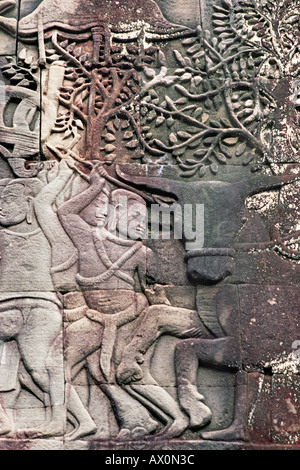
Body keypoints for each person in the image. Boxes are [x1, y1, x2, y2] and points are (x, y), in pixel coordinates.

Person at [58, 163, 191, 440]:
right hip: (94, 320)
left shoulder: (142, 253)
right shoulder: (88, 238)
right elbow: (65, 212)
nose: (143, 224)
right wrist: (95, 187)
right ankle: (132, 420)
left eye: (145, 218)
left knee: (130, 373)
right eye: (136, 216)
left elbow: (151, 290)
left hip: (130, 319)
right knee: (71, 367)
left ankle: (177, 416)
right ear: (115, 213)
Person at [0, 161, 74, 438]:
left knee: (40, 369)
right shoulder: (2, 235)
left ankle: (62, 420)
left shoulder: (47, 228)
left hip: (40, 309)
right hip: (6, 310)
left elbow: (44, 200)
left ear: (29, 201)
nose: (1, 206)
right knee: (23, 371)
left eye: (7, 200)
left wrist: (67, 169)